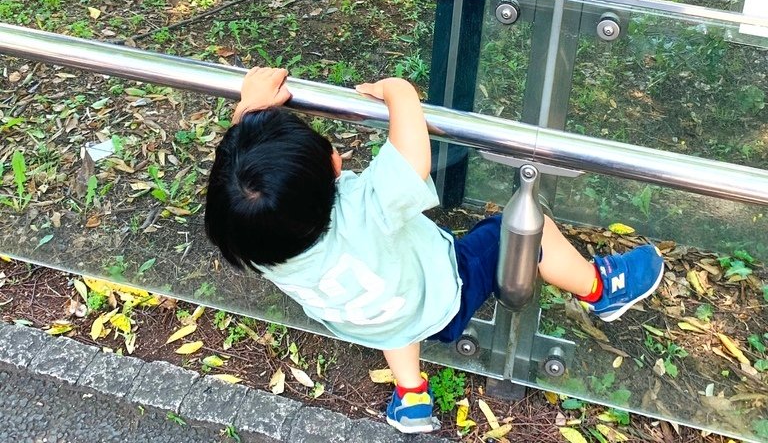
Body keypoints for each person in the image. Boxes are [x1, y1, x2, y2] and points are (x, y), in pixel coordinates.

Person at [205, 68, 665, 434]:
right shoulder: (368, 208)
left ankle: (412, 396)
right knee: (521, 231)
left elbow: (251, 195)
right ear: (332, 169)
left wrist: (250, 114)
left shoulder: (258, 245)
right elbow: (412, 156)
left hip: (367, 315)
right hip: (446, 295)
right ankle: (601, 288)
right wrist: (399, 92)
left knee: (393, 313)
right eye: (326, 152)